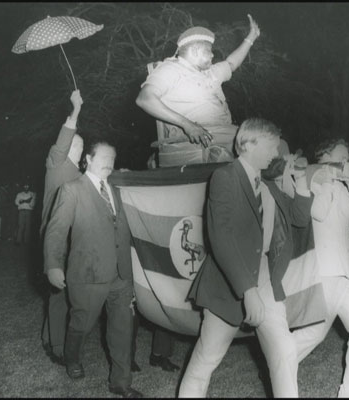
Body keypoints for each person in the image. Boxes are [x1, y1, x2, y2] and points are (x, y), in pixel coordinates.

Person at [179, 118, 312, 397]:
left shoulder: (268, 186)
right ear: (248, 143)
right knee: (206, 360)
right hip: (229, 284)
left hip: (265, 281)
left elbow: (299, 218)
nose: (276, 153)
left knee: (284, 353)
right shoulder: (225, 177)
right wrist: (247, 289)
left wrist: (301, 181)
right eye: (271, 146)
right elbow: (221, 237)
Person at [44, 140, 143, 398]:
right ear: (88, 158)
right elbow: (56, 231)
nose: (109, 163)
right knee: (82, 324)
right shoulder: (71, 189)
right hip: (88, 274)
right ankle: (72, 358)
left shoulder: (116, 191)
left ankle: (120, 382)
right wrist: (53, 266)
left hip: (120, 276)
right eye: (104, 158)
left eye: (113, 158)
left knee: (122, 328)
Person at [292, 138, 349, 397]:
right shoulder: (314, 176)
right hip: (325, 271)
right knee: (313, 334)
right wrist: (331, 178)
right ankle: (279, 362)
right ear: (326, 154)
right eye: (344, 156)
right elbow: (319, 213)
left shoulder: (347, 183)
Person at [136, 15, 261, 166]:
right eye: (209, 50)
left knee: (273, 143)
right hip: (202, 136)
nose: (213, 54)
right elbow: (144, 99)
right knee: (259, 146)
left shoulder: (209, 72)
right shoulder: (170, 69)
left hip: (225, 132)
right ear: (195, 51)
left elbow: (231, 63)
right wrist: (187, 125)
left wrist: (251, 37)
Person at [40, 90, 84, 365]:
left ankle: (49, 337)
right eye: (76, 145)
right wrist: (76, 110)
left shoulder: (79, 175)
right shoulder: (56, 164)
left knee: (67, 293)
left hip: (75, 241)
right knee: (60, 295)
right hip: (54, 240)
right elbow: (64, 137)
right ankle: (56, 346)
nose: (78, 148)